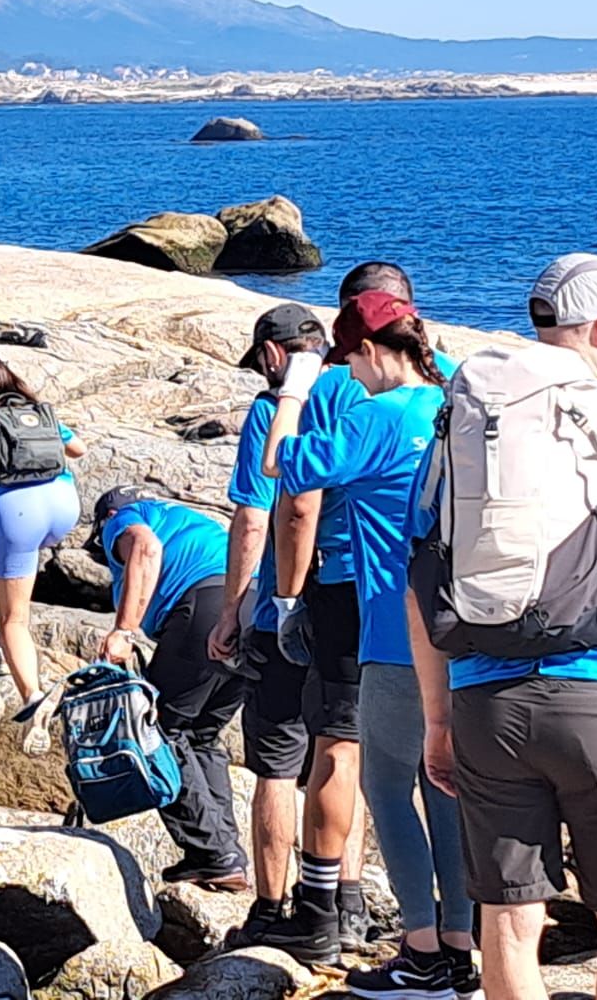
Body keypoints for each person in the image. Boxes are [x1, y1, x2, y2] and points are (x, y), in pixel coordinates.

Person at [232, 264, 454, 963]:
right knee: (444, 785)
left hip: (383, 620)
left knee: (377, 781)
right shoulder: (450, 398)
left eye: (349, 361)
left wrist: (295, 391)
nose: (347, 376)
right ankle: (458, 935)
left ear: (366, 350)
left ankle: (404, 943)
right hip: (456, 622)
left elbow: (286, 476)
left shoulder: (376, 415)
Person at [410, 254, 597, 1000]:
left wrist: (438, 722)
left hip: (483, 702)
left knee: (509, 915)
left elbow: (420, 579)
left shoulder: (466, 430)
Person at [212, 301, 370, 957]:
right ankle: (349, 903)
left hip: (296, 596)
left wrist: (237, 607)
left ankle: (274, 906)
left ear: (276, 354)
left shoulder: (274, 408)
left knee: (276, 760)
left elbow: (257, 514)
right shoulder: (368, 391)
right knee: (343, 752)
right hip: (363, 595)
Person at [88, 486, 246, 890]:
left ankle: (211, 853)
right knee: (202, 736)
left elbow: (144, 549)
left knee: (154, 729)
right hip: (251, 609)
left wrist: (123, 631)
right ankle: (228, 854)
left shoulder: (123, 519)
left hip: (204, 606)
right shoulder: (186, 519)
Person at [0, 349, 83, 744]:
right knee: (21, 590)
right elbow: (79, 449)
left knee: (14, 618)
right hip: (64, 506)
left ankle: (34, 699)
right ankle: (4, 653)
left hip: (18, 513)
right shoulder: (39, 410)